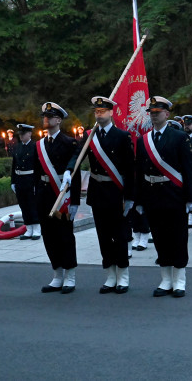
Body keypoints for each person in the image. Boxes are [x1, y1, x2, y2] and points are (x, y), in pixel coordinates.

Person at [63, 96, 134, 294]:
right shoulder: (89, 136)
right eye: (96, 111)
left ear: (111, 112)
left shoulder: (122, 136)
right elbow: (78, 156)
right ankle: (110, 275)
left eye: (102, 110)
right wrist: (69, 169)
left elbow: (130, 169)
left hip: (116, 192)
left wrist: (129, 196)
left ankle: (123, 275)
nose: (99, 113)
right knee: (103, 236)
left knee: (119, 236)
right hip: (98, 191)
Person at [135, 96, 192, 298]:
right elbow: (140, 171)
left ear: (167, 114)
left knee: (178, 237)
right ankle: (165, 279)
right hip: (153, 196)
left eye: (158, 112)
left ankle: (179, 279)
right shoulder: (143, 140)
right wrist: (140, 200)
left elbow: (189, 169)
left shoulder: (179, 137)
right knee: (160, 238)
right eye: (152, 113)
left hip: (174, 195)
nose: (154, 116)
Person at [35, 102, 81, 294]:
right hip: (44, 194)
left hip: (63, 195)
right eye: (44, 116)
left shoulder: (69, 142)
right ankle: (57, 274)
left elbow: (75, 174)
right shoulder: (40, 144)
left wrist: (75, 201)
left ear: (58, 120)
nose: (46, 119)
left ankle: (70, 275)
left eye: (50, 116)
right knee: (49, 235)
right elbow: (37, 173)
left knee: (64, 236)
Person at [11, 123, 40, 240]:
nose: (21, 136)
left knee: (32, 205)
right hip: (19, 180)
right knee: (23, 205)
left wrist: (36, 183)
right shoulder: (17, 147)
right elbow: (14, 165)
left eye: (23, 134)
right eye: (20, 134)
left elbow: (38, 167)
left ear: (30, 133)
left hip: (30, 179)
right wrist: (13, 181)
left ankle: (36, 229)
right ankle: (28, 229)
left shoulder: (35, 146)